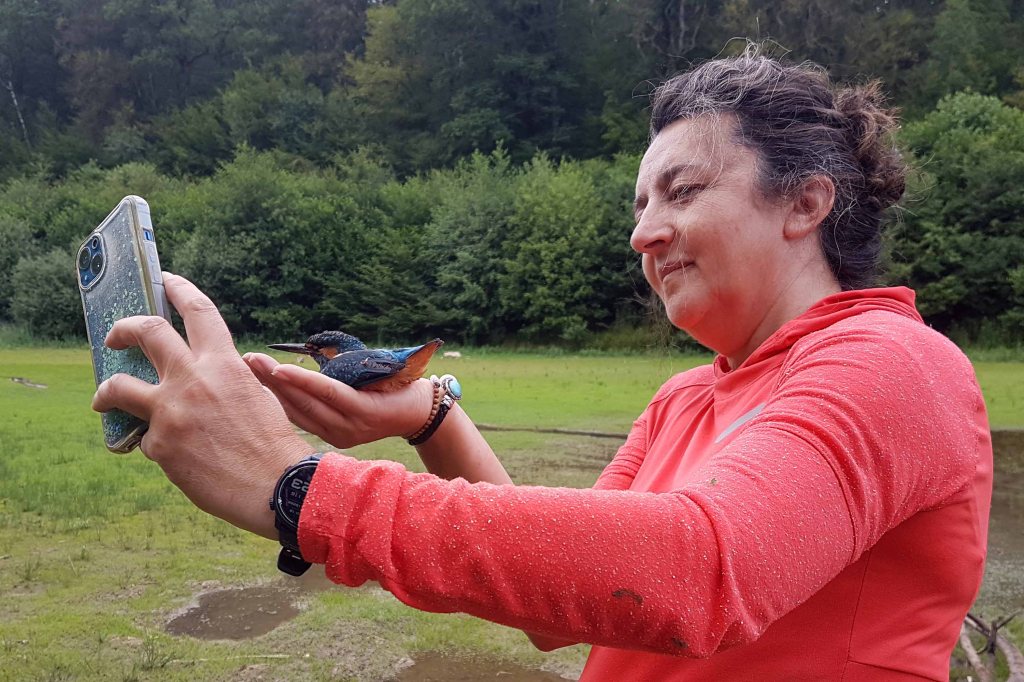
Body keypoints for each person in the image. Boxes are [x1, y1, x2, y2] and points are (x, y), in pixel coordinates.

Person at [93, 49, 992, 680]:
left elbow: (702, 573)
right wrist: (434, 420)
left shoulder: (894, 364)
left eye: (683, 191)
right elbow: (558, 613)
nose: (643, 232)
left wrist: (296, 486)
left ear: (805, 202)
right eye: (640, 204)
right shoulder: (686, 399)